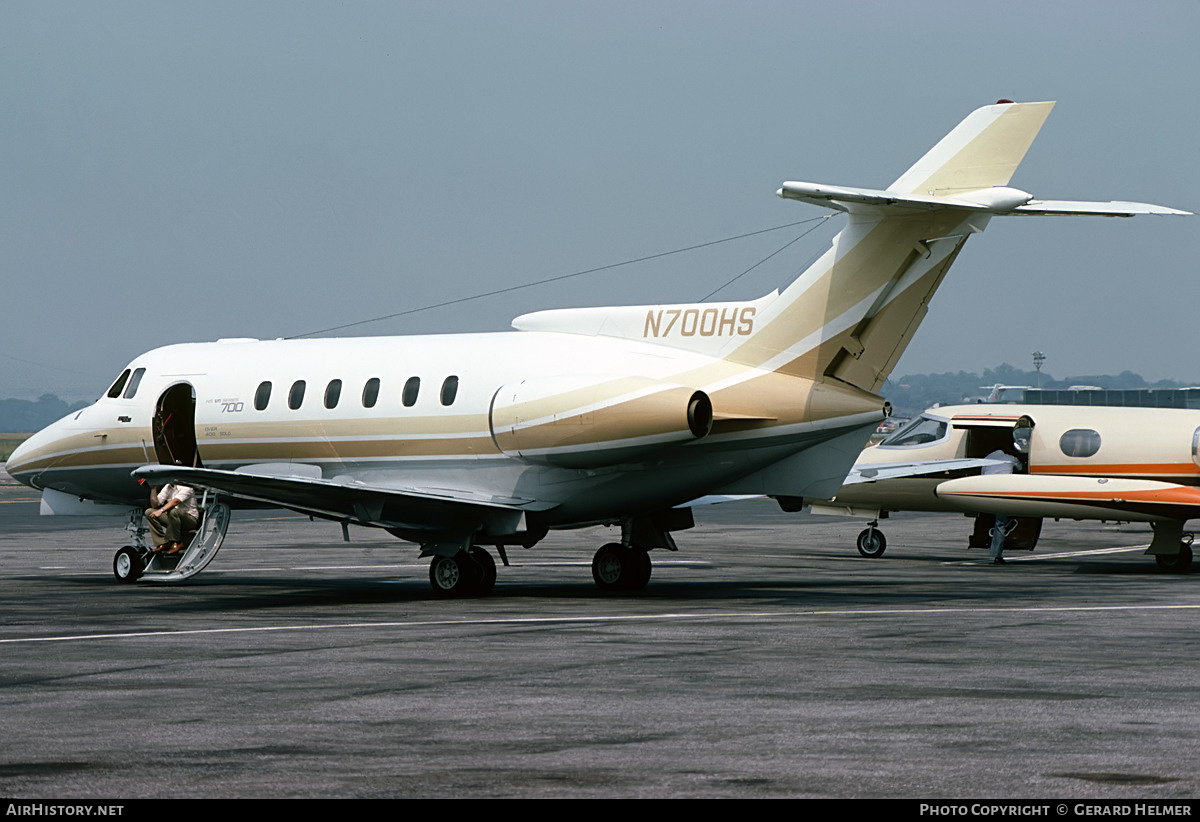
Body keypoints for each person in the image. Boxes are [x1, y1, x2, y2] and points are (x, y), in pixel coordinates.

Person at [982, 449, 1022, 564]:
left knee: (996, 521)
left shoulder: (986, 458)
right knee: (1000, 523)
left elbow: (982, 474)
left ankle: (1001, 527)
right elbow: (1020, 467)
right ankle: (996, 555)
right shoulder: (1010, 458)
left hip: (988, 493)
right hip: (1003, 492)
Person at [146, 483, 199, 555]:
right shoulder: (168, 487)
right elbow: (155, 505)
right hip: (174, 518)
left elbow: (176, 501)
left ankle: (176, 542)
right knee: (149, 512)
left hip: (190, 520)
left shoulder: (187, 487)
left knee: (173, 511)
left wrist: (161, 510)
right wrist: (153, 489)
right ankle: (163, 543)